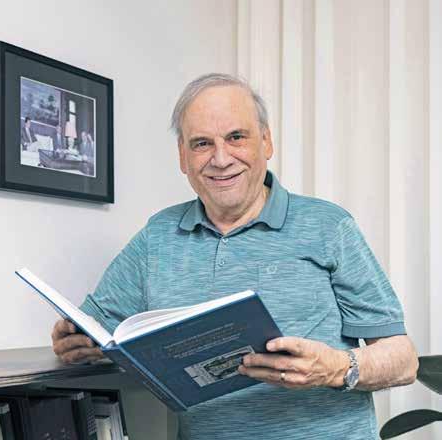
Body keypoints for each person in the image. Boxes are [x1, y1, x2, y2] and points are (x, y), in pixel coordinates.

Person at [52, 73, 419, 439]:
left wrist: (337, 367)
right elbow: (95, 328)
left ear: (266, 141)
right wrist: (73, 339)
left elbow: (403, 359)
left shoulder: (329, 225)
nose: (221, 158)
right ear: (182, 156)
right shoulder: (157, 236)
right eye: (202, 143)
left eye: (236, 137)